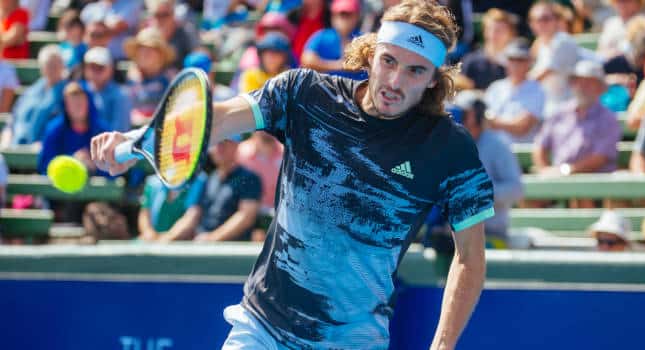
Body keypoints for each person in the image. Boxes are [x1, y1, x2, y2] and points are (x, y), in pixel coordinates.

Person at [91, 1, 494, 348]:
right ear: (371, 53)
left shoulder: (448, 148)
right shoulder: (303, 92)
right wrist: (134, 142)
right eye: (388, 60)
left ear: (433, 81)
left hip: (354, 341)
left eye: (415, 71)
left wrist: (442, 344)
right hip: (262, 327)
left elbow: (470, 257)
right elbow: (213, 121)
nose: (394, 81)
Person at [157, 139, 262, 243]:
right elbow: (193, 215)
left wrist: (213, 238)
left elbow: (246, 216)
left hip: (232, 250)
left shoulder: (249, 178)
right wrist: (167, 239)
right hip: (204, 245)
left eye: (223, 143)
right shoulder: (209, 179)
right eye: (215, 145)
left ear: (235, 146)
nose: (218, 148)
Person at [451, 91, 523, 243]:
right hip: (451, 233)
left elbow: (516, 189)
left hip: (490, 232)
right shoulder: (449, 143)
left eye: (465, 114)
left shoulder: (497, 144)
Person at [534, 60, 621, 175]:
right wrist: (544, 171)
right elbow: (540, 146)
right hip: (558, 183)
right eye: (579, 82)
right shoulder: (558, 113)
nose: (582, 87)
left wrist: (566, 171)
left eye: (589, 83)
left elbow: (600, 158)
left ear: (600, 88)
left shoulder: (608, 119)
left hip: (595, 185)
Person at [483, 38, 546, 144]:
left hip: (521, 154)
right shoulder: (495, 88)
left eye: (520, 59)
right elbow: (482, 121)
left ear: (529, 62)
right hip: (493, 150)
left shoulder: (538, 90)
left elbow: (522, 128)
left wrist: (493, 122)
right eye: (512, 59)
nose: (515, 64)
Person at [38, 81, 107, 176]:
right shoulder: (54, 130)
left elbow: (114, 172)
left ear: (88, 103)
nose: (77, 106)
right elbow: (45, 167)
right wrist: (72, 161)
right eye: (72, 103)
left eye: (80, 102)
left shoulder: (103, 131)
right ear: (65, 106)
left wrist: (95, 166)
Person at [4, 45, 66, 146]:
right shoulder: (30, 91)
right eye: (48, 65)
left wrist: (44, 143)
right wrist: (7, 138)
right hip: (16, 145)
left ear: (63, 66)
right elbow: (12, 120)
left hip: (47, 148)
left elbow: (65, 126)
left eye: (56, 64)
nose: (52, 68)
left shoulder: (67, 92)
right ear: (42, 68)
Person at [528, 1, 581, 117]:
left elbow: (538, 77)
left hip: (565, 108)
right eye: (536, 20)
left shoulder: (562, 41)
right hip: (547, 107)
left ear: (557, 20)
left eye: (546, 18)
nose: (541, 23)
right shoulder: (540, 45)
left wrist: (513, 87)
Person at [123, 27, 174, 126]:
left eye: (150, 49)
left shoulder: (170, 78)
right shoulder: (132, 78)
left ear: (161, 55)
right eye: (141, 49)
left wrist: (148, 120)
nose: (144, 53)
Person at [301, 0, 362, 78]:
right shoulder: (322, 36)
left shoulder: (363, 39)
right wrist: (341, 66)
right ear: (333, 16)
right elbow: (307, 60)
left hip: (356, 88)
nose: (343, 18)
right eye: (340, 14)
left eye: (348, 14)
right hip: (325, 88)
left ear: (357, 16)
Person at [458, 8, 516, 90]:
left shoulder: (516, 64)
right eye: (490, 29)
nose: (494, 34)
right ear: (484, 31)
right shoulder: (471, 61)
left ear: (511, 34)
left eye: (500, 30)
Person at [137, 173, 206, 241]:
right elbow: (144, 213)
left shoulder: (198, 181)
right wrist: (149, 234)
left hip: (178, 244)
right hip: (151, 241)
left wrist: (166, 239)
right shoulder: (152, 182)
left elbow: (192, 215)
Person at [83, 46, 131, 132]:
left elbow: (119, 132)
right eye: (92, 67)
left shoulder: (121, 95)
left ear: (110, 69)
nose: (95, 72)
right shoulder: (81, 91)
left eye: (100, 68)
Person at [144, 0, 198, 68]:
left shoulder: (187, 32)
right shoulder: (146, 35)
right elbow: (136, 68)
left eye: (165, 14)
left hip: (182, 76)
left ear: (173, 14)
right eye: (157, 15)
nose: (161, 19)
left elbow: (197, 58)